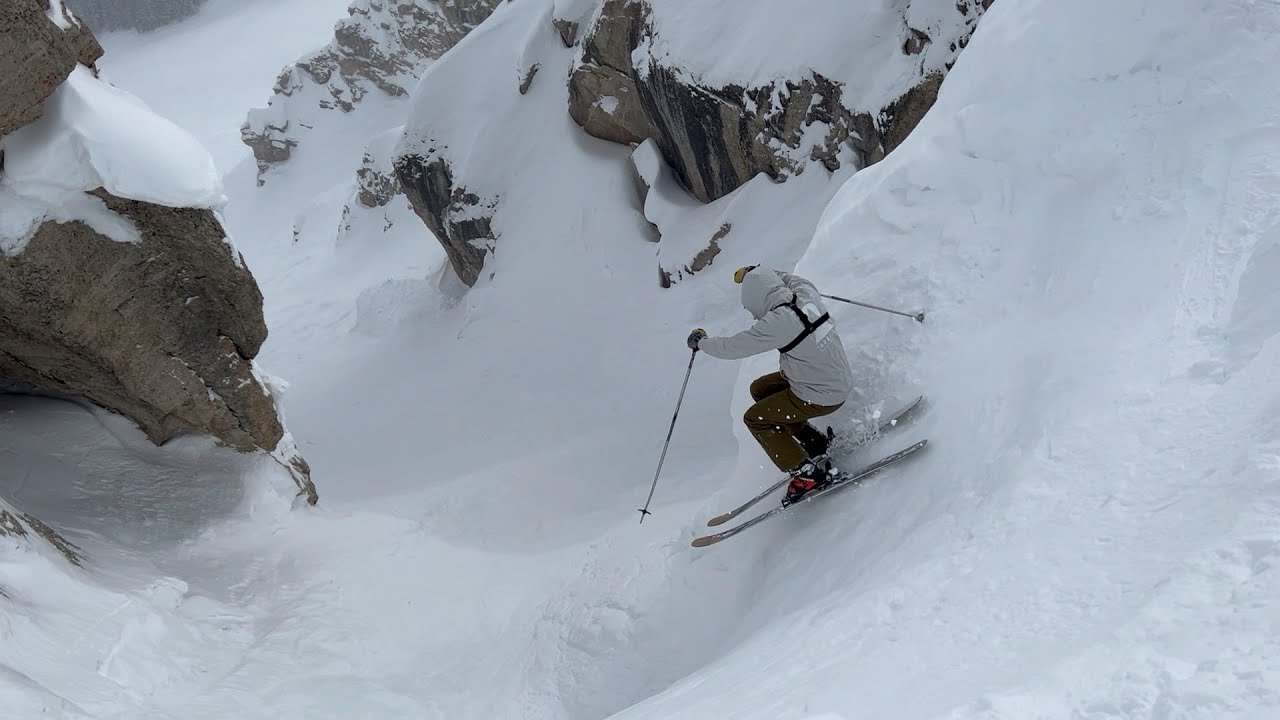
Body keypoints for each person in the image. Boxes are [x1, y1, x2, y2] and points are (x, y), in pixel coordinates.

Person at [688, 265, 854, 506]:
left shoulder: (778, 323)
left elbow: (731, 348)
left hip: (821, 395)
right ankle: (813, 442)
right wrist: (756, 271)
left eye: (751, 308)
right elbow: (789, 278)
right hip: (835, 377)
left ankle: (806, 474)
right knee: (760, 389)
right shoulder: (805, 292)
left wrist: (701, 342)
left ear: (757, 301)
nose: (755, 315)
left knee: (755, 419)